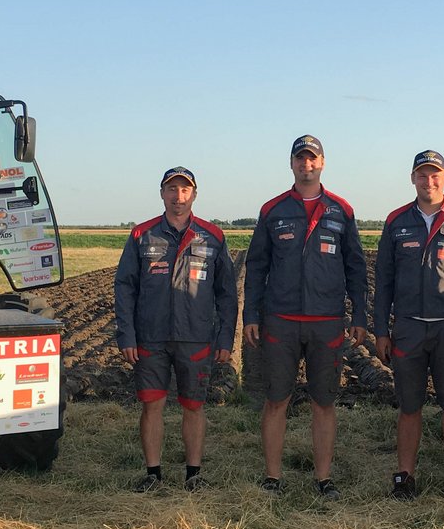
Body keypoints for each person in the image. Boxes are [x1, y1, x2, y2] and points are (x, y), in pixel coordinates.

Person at [243, 135, 368, 499]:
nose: (306, 164)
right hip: (280, 320)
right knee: (276, 400)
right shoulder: (273, 210)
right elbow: (256, 267)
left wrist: (359, 314)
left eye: (312, 158)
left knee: (324, 402)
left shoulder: (341, 210)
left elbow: (356, 267)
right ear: (292, 164)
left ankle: (323, 479)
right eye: (300, 158)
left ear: (322, 163)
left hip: (326, 321)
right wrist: (251, 314)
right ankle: (272, 478)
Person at [114, 167, 237, 491]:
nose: (178, 196)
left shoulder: (212, 236)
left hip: (195, 336)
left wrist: (225, 337)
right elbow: (124, 287)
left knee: (194, 405)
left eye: (184, 190)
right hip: (150, 336)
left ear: (194, 195)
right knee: (151, 404)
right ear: (162, 193)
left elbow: (227, 293)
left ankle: (193, 475)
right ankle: (153, 475)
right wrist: (126, 334)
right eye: (171, 189)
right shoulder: (142, 235)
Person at [374, 150, 444, 500]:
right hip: (408, 329)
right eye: (422, 175)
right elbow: (384, 281)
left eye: (435, 174)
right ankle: (405, 477)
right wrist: (381, 330)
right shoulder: (396, 221)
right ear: (412, 179)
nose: (429, 181)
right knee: (409, 406)